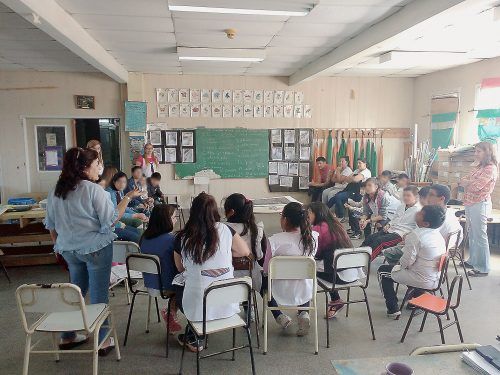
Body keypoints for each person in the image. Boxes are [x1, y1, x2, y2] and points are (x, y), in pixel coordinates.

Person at [45, 147, 141, 354]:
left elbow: (51, 225)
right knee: (99, 295)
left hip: (69, 249)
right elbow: (111, 220)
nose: (101, 168)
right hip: (95, 249)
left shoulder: (56, 191)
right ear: (85, 167)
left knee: (75, 292)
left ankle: (68, 335)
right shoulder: (93, 190)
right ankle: (103, 339)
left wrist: (57, 247)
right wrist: (126, 200)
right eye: (98, 164)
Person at [173, 193, 251, 352]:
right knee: (205, 288)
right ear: (215, 211)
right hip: (227, 304)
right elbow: (244, 251)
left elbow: (180, 268)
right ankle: (197, 334)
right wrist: (226, 254)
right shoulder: (226, 229)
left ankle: (195, 336)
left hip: (196, 306)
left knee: (181, 287)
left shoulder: (182, 236)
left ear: (193, 212)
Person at [378, 205, 446, 318]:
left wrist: (400, 263)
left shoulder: (416, 235)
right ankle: (415, 298)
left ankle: (392, 308)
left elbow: (405, 263)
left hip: (421, 279)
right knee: (411, 266)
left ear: (426, 223)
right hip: (435, 278)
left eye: (420, 213)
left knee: (383, 271)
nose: (417, 213)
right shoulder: (438, 235)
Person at [262, 202, 319, 336]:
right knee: (304, 274)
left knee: (263, 279)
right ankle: (304, 313)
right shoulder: (313, 237)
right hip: (306, 290)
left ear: (285, 220)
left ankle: (279, 316)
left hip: (278, 292)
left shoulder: (274, 240)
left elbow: (266, 269)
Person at [308, 202, 362, 319]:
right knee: (325, 263)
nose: (307, 216)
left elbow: (313, 253)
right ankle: (335, 300)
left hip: (338, 277)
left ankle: (304, 307)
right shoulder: (337, 224)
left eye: (309, 213)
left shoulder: (317, 229)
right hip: (354, 274)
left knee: (307, 269)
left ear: (317, 214)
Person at [140, 204, 182, 333]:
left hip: (149, 283)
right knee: (188, 283)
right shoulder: (172, 240)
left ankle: (171, 312)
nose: (176, 220)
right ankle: (171, 311)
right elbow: (180, 265)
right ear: (166, 220)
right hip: (167, 286)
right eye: (174, 217)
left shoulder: (143, 238)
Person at [460, 141, 498, 277]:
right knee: (472, 233)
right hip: (470, 202)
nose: (476, 154)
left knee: (480, 236)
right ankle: (473, 260)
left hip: (480, 203)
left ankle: (483, 267)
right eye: (475, 151)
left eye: (478, 151)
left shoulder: (490, 168)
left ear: (487, 152)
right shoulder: (478, 167)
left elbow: (477, 187)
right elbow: (465, 179)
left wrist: (467, 183)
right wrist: (467, 182)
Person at [361, 186, 420, 260]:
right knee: (370, 238)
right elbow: (394, 218)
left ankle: (364, 262)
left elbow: (418, 228)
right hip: (391, 229)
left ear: (416, 197)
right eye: (404, 195)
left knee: (380, 242)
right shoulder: (401, 206)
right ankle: (357, 255)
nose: (405, 197)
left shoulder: (419, 210)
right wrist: (388, 224)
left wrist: (408, 235)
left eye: (408, 195)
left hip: (401, 234)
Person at [224, 193, 266, 293]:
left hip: (226, 281)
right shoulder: (256, 229)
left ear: (231, 212)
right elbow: (260, 257)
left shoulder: (222, 229)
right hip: (251, 279)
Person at [106, 172, 148, 243]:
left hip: (117, 222)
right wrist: (135, 215)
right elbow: (115, 214)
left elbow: (124, 207)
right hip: (113, 226)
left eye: (124, 182)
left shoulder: (120, 191)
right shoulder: (110, 193)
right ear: (114, 182)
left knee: (139, 233)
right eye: (119, 181)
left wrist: (136, 214)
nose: (122, 184)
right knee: (137, 235)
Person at [427, 184, 463, 249]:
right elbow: (460, 236)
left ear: (442, 199)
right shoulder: (449, 212)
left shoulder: (437, 217)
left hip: (437, 249)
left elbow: (426, 236)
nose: (427, 197)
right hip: (448, 245)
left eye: (431, 195)